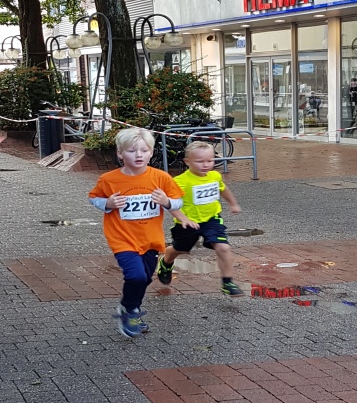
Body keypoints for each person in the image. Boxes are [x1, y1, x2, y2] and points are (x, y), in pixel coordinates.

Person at [88, 127, 195, 338]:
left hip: (151, 240)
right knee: (135, 276)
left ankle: (130, 307)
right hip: (122, 239)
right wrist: (108, 203)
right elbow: (94, 198)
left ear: (151, 152)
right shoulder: (109, 179)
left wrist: (166, 202)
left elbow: (178, 200)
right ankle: (130, 311)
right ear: (120, 153)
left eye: (144, 150)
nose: (138, 155)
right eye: (131, 151)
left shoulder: (160, 177)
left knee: (144, 278)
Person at [157, 141, 244, 297]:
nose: (205, 165)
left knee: (223, 247)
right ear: (187, 162)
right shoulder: (181, 181)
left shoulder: (215, 176)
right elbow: (171, 204)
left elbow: (223, 189)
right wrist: (183, 218)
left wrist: (233, 203)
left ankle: (228, 282)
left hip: (212, 219)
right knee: (180, 249)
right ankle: (166, 262)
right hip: (187, 222)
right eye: (200, 161)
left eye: (209, 161)